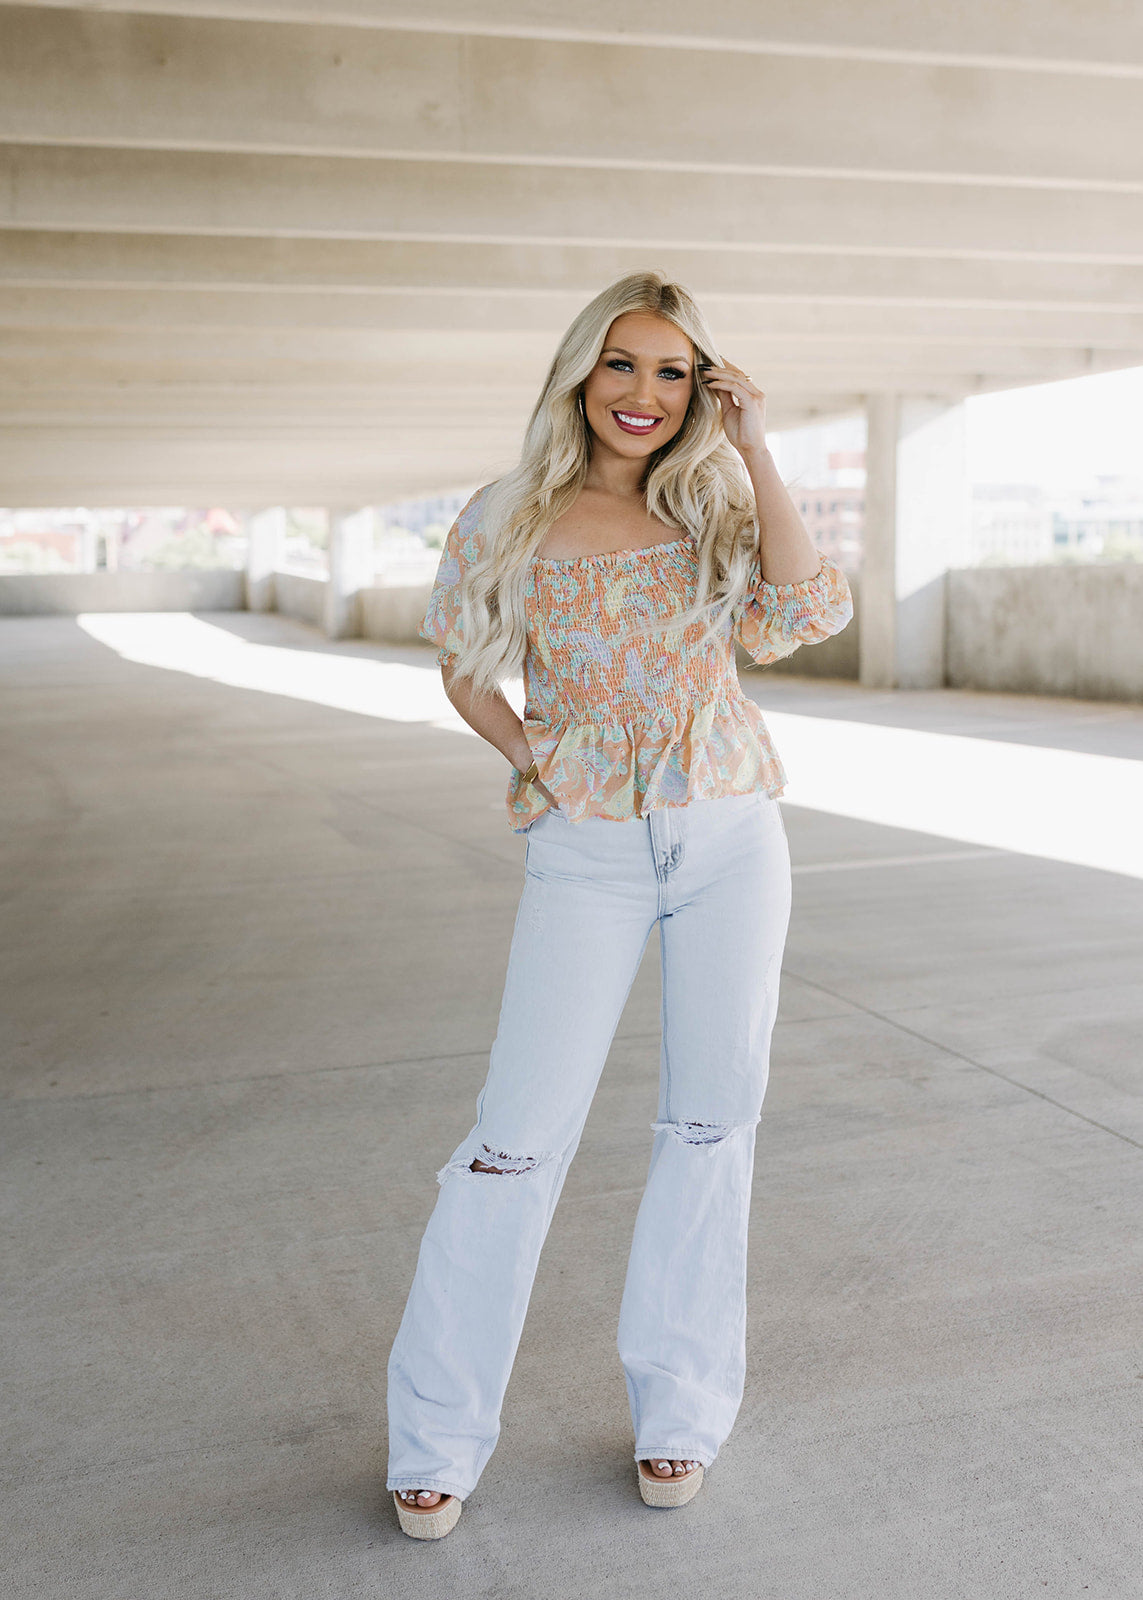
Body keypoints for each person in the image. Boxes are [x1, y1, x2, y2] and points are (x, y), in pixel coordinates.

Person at [387, 271, 853, 1539]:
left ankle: (680, 1412)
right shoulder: (507, 513)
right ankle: (436, 1436)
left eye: (672, 372)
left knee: (710, 1124)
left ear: (699, 389)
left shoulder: (711, 501)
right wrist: (528, 757)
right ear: (582, 373)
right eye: (622, 364)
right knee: (514, 1138)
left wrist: (757, 449)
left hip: (730, 834)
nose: (644, 393)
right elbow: (461, 660)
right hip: (585, 846)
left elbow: (804, 614)